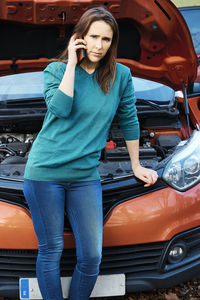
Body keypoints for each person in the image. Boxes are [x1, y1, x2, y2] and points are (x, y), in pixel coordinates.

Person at [23, 6, 158, 300]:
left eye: (106, 39)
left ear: (113, 43)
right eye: (93, 37)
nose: (98, 45)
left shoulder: (120, 75)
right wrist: (71, 64)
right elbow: (60, 108)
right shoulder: (56, 70)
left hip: (85, 176)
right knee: (51, 250)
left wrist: (136, 164)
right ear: (80, 37)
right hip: (45, 173)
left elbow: (129, 119)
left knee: (92, 256)